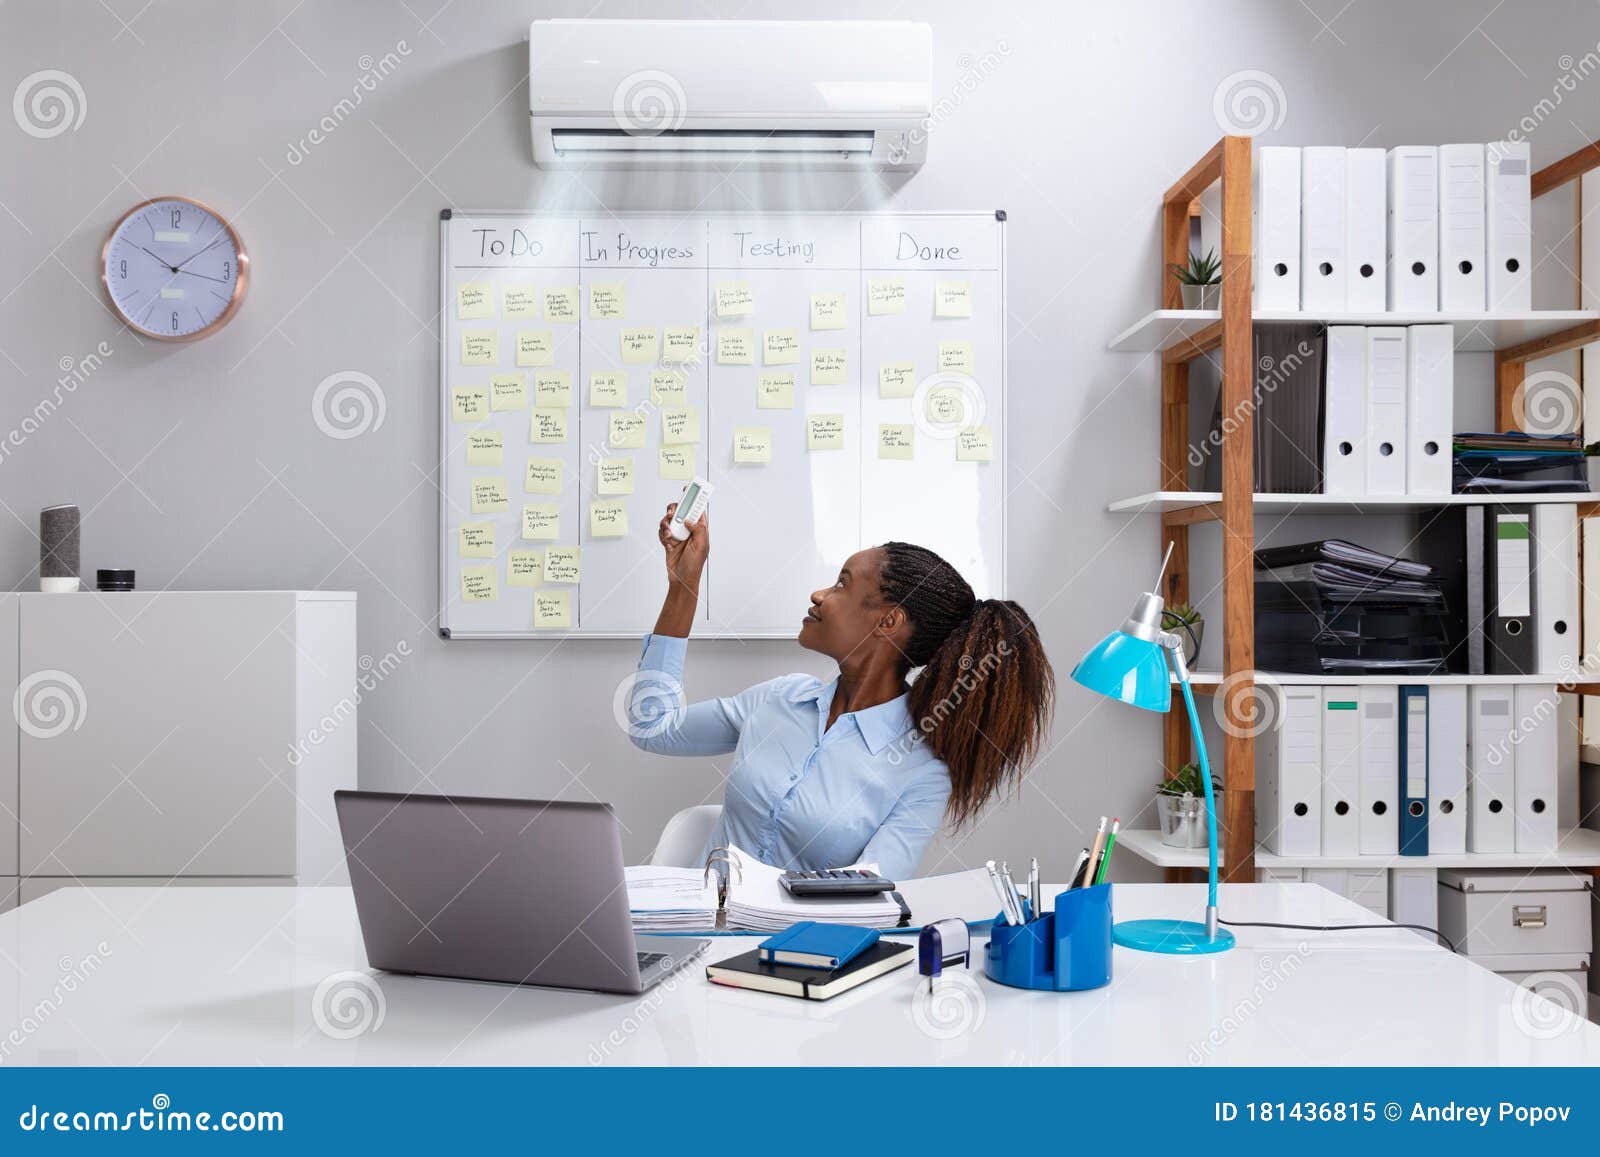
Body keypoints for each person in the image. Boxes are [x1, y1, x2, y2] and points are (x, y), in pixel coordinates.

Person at [626, 503, 1055, 880]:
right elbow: (651, 728)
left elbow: (866, 903)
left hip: (798, 959)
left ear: (887, 622)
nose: (819, 595)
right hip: (699, 937)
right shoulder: (780, 699)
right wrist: (684, 585)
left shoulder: (922, 773)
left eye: (842, 584)